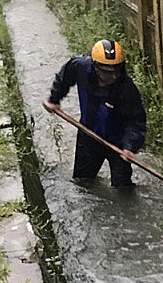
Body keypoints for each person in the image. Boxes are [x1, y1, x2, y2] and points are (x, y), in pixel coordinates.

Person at [43, 39, 147, 189]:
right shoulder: (80, 67)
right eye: (107, 72)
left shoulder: (127, 89)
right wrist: (54, 99)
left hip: (117, 144)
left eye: (116, 71)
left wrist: (129, 147)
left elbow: (136, 122)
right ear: (96, 67)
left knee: (123, 189)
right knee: (82, 183)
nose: (113, 76)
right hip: (88, 135)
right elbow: (64, 78)